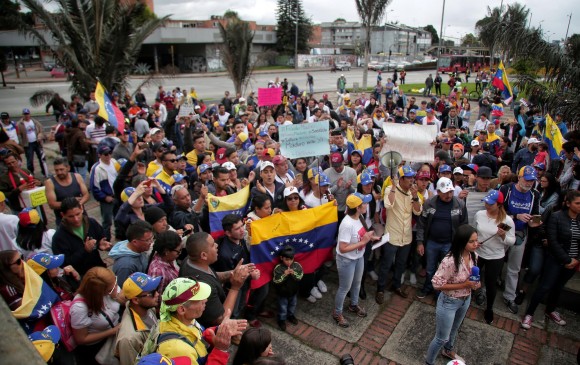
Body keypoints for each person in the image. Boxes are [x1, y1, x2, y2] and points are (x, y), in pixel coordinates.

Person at [521, 190, 580, 329]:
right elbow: (552, 240)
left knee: (558, 287)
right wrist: (567, 260)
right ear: (567, 203)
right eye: (577, 203)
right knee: (543, 284)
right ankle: (529, 312)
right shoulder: (555, 214)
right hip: (553, 257)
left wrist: (576, 259)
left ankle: (550, 310)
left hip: (573, 262)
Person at [424, 224, 480, 365]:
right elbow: (436, 284)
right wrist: (464, 285)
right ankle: (429, 362)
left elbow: (473, 277)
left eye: (476, 240)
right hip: (449, 302)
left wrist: (476, 283)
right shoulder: (449, 261)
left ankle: (448, 350)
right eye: (471, 241)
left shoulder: (474, 255)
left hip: (465, 299)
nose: (476, 244)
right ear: (462, 242)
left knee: (455, 328)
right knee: (441, 338)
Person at [157, 277, 247, 365]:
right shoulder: (176, 350)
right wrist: (220, 350)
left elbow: (195, 337)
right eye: (199, 299)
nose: (205, 300)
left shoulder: (183, 321)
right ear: (182, 310)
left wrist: (219, 330)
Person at [179, 232, 252, 328]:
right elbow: (221, 319)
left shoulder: (191, 259)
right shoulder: (203, 287)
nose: (217, 246)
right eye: (213, 245)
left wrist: (232, 273)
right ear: (204, 255)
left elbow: (212, 275)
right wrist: (235, 287)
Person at [498, 166, 541, 314]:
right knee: (495, 259)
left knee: (514, 267)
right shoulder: (506, 189)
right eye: (527, 180)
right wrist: (516, 216)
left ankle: (509, 296)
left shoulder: (535, 194)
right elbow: (498, 210)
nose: (529, 183)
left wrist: (534, 222)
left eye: (532, 181)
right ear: (519, 177)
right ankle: (485, 287)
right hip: (505, 226)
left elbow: (535, 214)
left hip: (521, 231)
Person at [416, 178, 468, 299]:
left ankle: (440, 292)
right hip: (432, 243)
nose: (448, 195)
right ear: (438, 191)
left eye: (450, 192)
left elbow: (464, 225)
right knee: (430, 268)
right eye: (445, 192)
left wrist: (461, 245)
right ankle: (429, 287)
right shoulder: (429, 203)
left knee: (446, 270)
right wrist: (420, 242)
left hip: (450, 244)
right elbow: (421, 224)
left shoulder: (460, 204)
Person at [376, 166, 422, 304]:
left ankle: (396, 285)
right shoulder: (391, 190)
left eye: (412, 177)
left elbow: (418, 212)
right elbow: (388, 205)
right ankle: (380, 289)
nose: (411, 180)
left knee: (401, 264)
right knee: (386, 263)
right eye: (408, 177)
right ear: (401, 179)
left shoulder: (414, 194)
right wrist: (394, 187)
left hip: (406, 236)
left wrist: (415, 197)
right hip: (392, 235)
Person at [333, 192, 376, 328]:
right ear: (357, 207)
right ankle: (337, 312)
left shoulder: (360, 217)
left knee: (357, 283)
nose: (367, 205)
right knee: (344, 288)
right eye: (364, 203)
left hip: (358, 257)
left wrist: (370, 237)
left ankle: (353, 304)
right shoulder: (347, 224)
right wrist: (363, 241)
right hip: (346, 260)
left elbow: (361, 234)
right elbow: (343, 248)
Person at [473, 190, 516, 324]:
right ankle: (470, 297)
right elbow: (475, 231)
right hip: (478, 253)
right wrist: (475, 242)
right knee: (473, 277)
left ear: (498, 205)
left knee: (491, 284)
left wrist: (503, 235)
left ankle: (489, 308)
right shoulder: (479, 214)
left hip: (496, 256)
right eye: (486, 202)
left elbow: (512, 241)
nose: (486, 205)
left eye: (490, 204)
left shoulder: (506, 220)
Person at [70, 267, 121, 365]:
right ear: (99, 293)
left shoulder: (110, 288)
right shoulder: (79, 308)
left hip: (114, 335)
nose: (116, 288)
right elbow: (81, 339)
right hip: (97, 348)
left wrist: (116, 295)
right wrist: (112, 331)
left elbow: (121, 298)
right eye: (111, 289)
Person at [52, 197, 112, 276]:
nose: (76, 219)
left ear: (82, 209)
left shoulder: (91, 223)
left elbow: (102, 236)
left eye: (78, 214)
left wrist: (101, 244)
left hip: (99, 270)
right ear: (63, 215)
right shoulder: (59, 237)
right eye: (71, 216)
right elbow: (64, 263)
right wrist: (84, 250)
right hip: (80, 277)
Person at [116, 272, 161, 365]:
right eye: (152, 293)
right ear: (136, 300)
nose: (157, 294)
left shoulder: (147, 308)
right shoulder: (129, 339)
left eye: (156, 289)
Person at [45, 158, 90, 226]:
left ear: (68, 168)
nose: (59, 172)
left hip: (81, 217)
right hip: (64, 221)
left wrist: (78, 204)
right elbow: (52, 204)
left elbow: (86, 195)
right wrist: (72, 203)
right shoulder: (50, 183)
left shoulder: (77, 177)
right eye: (56, 170)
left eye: (61, 169)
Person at [109, 220, 155, 287]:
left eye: (152, 238)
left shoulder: (140, 249)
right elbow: (123, 291)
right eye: (147, 240)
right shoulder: (126, 266)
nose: (151, 242)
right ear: (135, 242)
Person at [272, 245, 303, 331]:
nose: (289, 262)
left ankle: (291, 315)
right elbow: (276, 281)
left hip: (293, 292)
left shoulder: (297, 266)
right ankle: (281, 320)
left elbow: (300, 277)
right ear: (281, 258)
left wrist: (293, 273)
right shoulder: (278, 268)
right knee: (282, 307)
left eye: (291, 259)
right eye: (286, 259)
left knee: (293, 305)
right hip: (282, 293)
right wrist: (284, 275)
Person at [147, 231, 182, 296]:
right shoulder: (158, 272)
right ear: (166, 251)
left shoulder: (167, 260)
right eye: (178, 251)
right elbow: (158, 299)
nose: (179, 254)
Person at [17, 108, 48, 178]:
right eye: (25, 114)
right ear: (22, 115)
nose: (26, 116)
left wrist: (40, 136)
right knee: (30, 160)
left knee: (41, 158)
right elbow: (18, 135)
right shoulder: (19, 124)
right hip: (28, 145)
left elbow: (41, 129)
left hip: (37, 143)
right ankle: (31, 174)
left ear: (29, 114)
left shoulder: (34, 122)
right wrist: (21, 144)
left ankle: (44, 172)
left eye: (27, 114)